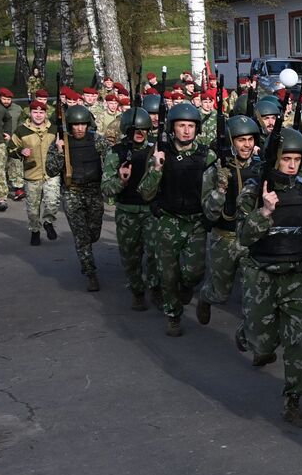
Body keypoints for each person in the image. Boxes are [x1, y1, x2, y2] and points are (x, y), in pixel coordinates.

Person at [236, 129, 302, 427]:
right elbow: (243, 236)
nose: (292, 165)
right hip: (261, 274)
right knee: (262, 344)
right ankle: (247, 333)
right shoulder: (253, 190)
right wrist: (264, 211)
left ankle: (293, 400)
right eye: (286, 159)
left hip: (297, 274)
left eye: (297, 160)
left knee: (298, 341)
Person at [139, 102, 216, 335]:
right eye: (181, 125)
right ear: (172, 128)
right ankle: (173, 315)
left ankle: (187, 287)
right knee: (167, 274)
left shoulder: (207, 155)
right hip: (168, 220)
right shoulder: (159, 152)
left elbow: (213, 191)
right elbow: (145, 192)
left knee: (194, 272)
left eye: (190, 126)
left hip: (195, 222)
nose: (186, 130)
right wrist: (156, 167)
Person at [199, 116, 265, 322]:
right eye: (240, 140)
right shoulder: (216, 170)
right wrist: (220, 189)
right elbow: (209, 213)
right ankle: (206, 297)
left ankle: (253, 339)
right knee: (221, 293)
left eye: (250, 139)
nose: (246, 145)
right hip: (224, 236)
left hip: (251, 239)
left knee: (254, 295)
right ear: (231, 142)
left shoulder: (260, 169)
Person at [45, 106, 110, 291]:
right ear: (70, 126)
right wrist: (58, 151)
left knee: (93, 233)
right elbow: (50, 170)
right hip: (72, 192)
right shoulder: (61, 143)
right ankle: (90, 273)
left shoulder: (97, 141)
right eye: (75, 125)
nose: (80, 128)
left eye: (83, 124)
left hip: (94, 191)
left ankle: (87, 250)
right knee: (81, 237)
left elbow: (110, 162)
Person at [102, 108, 158, 311]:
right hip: (127, 211)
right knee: (130, 256)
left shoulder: (156, 150)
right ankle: (137, 291)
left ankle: (155, 288)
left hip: (151, 211)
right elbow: (106, 188)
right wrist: (121, 181)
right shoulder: (116, 152)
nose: (140, 133)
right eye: (135, 129)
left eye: (143, 129)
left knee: (154, 255)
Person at [8, 99, 60, 246]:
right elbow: (10, 149)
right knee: (32, 208)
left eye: (41, 112)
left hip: (51, 173)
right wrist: (20, 151)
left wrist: (60, 146)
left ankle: (48, 222)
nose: (38, 115)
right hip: (32, 174)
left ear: (46, 114)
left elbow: (64, 148)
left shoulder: (54, 129)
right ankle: (35, 230)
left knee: (52, 202)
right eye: (35, 112)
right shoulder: (21, 130)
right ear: (30, 113)